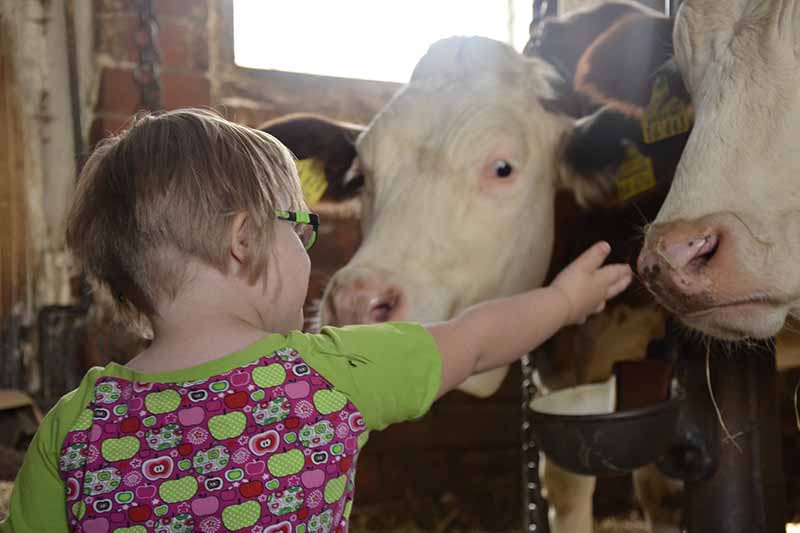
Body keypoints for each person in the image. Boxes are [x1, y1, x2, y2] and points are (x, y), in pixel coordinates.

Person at [0, 108, 631, 533]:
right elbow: (476, 341)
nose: (308, 249)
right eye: (302, 227)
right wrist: (566, 302)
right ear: (243, 241)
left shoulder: (75, 426)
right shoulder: (327, 375)